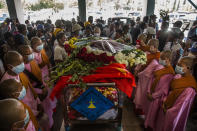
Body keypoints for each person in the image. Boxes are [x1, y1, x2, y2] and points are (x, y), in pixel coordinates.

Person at [156, 57, 197, 131]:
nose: (177, 66)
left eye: (180, 65)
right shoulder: (179, 77)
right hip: (166, 105)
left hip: (171, 113)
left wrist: (167, 110)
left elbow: (180, 107)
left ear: (187, 68)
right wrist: (165, 101)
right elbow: (171, 92)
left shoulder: (190, 88)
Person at [1, 51, 40, 116]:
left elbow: (29, 87)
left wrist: (38, 101)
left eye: (22, 62)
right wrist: (34, 113)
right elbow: (14, 105)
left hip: (33, 102)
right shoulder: (6, 83)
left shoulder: (20, 71)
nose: (23, 65)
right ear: (10, 67)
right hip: (24, 113)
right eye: (19, 64)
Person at [145, 51, 175, 129]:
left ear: (168, 59)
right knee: (149, 113)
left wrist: (153, 96)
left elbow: (164, 89)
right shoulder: (162, 69)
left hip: (157, 98)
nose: (160, 60)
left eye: (162, 58)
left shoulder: (170, 73)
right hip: (152, 94)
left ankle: (149, 127)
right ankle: (146, 125)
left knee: (154, 116)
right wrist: (149, 91)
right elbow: (152, 78)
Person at [134, 39, 160, 114]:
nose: (151, 49)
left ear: (156, 47)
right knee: (139, 91)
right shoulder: (146, 53)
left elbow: (154, 67)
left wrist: (140, 73)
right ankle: (137, 107)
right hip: (142, 76)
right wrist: (136, 69)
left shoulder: (158, 55)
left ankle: (142, 109)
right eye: (150, 47)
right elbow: (140, 62)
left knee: (145, 93)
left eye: (154, 47)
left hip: (149, 77)